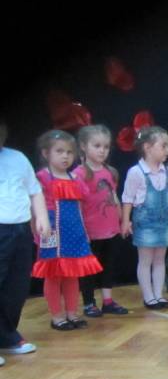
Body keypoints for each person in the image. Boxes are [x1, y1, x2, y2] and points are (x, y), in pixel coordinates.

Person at [32, 130, 103, 330]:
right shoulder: (42, 177)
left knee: (72, 274)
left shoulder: (75, 178)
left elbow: (79, 207)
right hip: (52, 233)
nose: (65, 156)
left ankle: (72, 313)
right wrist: (37, 231)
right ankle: (57, 316)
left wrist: (84, 231)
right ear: (46, 153)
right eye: (60, 151)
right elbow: (35, 207)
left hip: (74, 232)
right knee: (53, 275)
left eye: (69, 152)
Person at [0, 115, 50, 364]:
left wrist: (42, 217)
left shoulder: (17, 158)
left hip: (20, 230)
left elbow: (34, 190)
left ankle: (7, 336)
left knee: (16, 287)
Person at [121, 126, 168, 309]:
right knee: (145, 260)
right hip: (145, 224)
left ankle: (159, 295)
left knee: (160, 259)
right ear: (147, 147)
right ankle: (148, 297)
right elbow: (128, 199)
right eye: (163, 146)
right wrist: (126, 220)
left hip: (163, 223)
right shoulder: (136, 172)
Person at [73, 125, 129, 317]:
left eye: (105, 147)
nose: (102, 151)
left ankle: (108, 301)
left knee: (109, 265)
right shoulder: (79, 174)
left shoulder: (110, 172)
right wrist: (82, 231)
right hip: (91, 231)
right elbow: (77, 205)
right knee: (88, 268)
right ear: (83, 146)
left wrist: (123, 221)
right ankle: (89, 303)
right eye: (97, 146)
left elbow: (114, 197)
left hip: (111, 229)